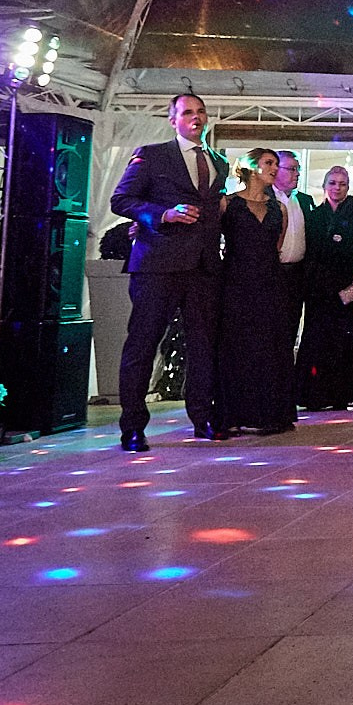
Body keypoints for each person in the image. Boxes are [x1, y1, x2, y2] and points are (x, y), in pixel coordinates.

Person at [110, 94, 230, 451]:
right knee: (143, 343)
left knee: (203, 346)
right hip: (158, 265)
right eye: (188, 112)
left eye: (201, 111)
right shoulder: (153, 153)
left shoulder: (218, 161)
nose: (196, 117)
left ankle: (202, 417)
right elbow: (121, 199)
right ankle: (132, 426)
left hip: (204, 267)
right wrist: (162, 214)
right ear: (172, 119)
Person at [215, 148, 295, 435]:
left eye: (276, 164)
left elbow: (277, 246)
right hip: (236, 283)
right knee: (236, 346)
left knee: (269, 347)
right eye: (269, 163)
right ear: (251, 168)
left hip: (270, 283)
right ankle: (233, 414)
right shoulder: (228, 204)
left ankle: (269, 414)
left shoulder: (279, 209)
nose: (275, 169)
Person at [296, 165, 353, 410]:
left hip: (351, 287)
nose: (337, 188)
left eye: (342, 183)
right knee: (319, 342)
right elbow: (310, 255)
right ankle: (317, 396)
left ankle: (346, 395)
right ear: (324, 186)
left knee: (348, 342)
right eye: (332, 183)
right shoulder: (315, 215)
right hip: (321, 290)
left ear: (348, 187)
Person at [271, 150, 310, 393]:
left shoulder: (304, 200)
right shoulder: (264, 199)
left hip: (297, 275)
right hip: (274, 274)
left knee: (290, 333)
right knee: (271, 334)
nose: (296, 173)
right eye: (291, 169)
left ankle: (285, 389)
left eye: (298, 169)